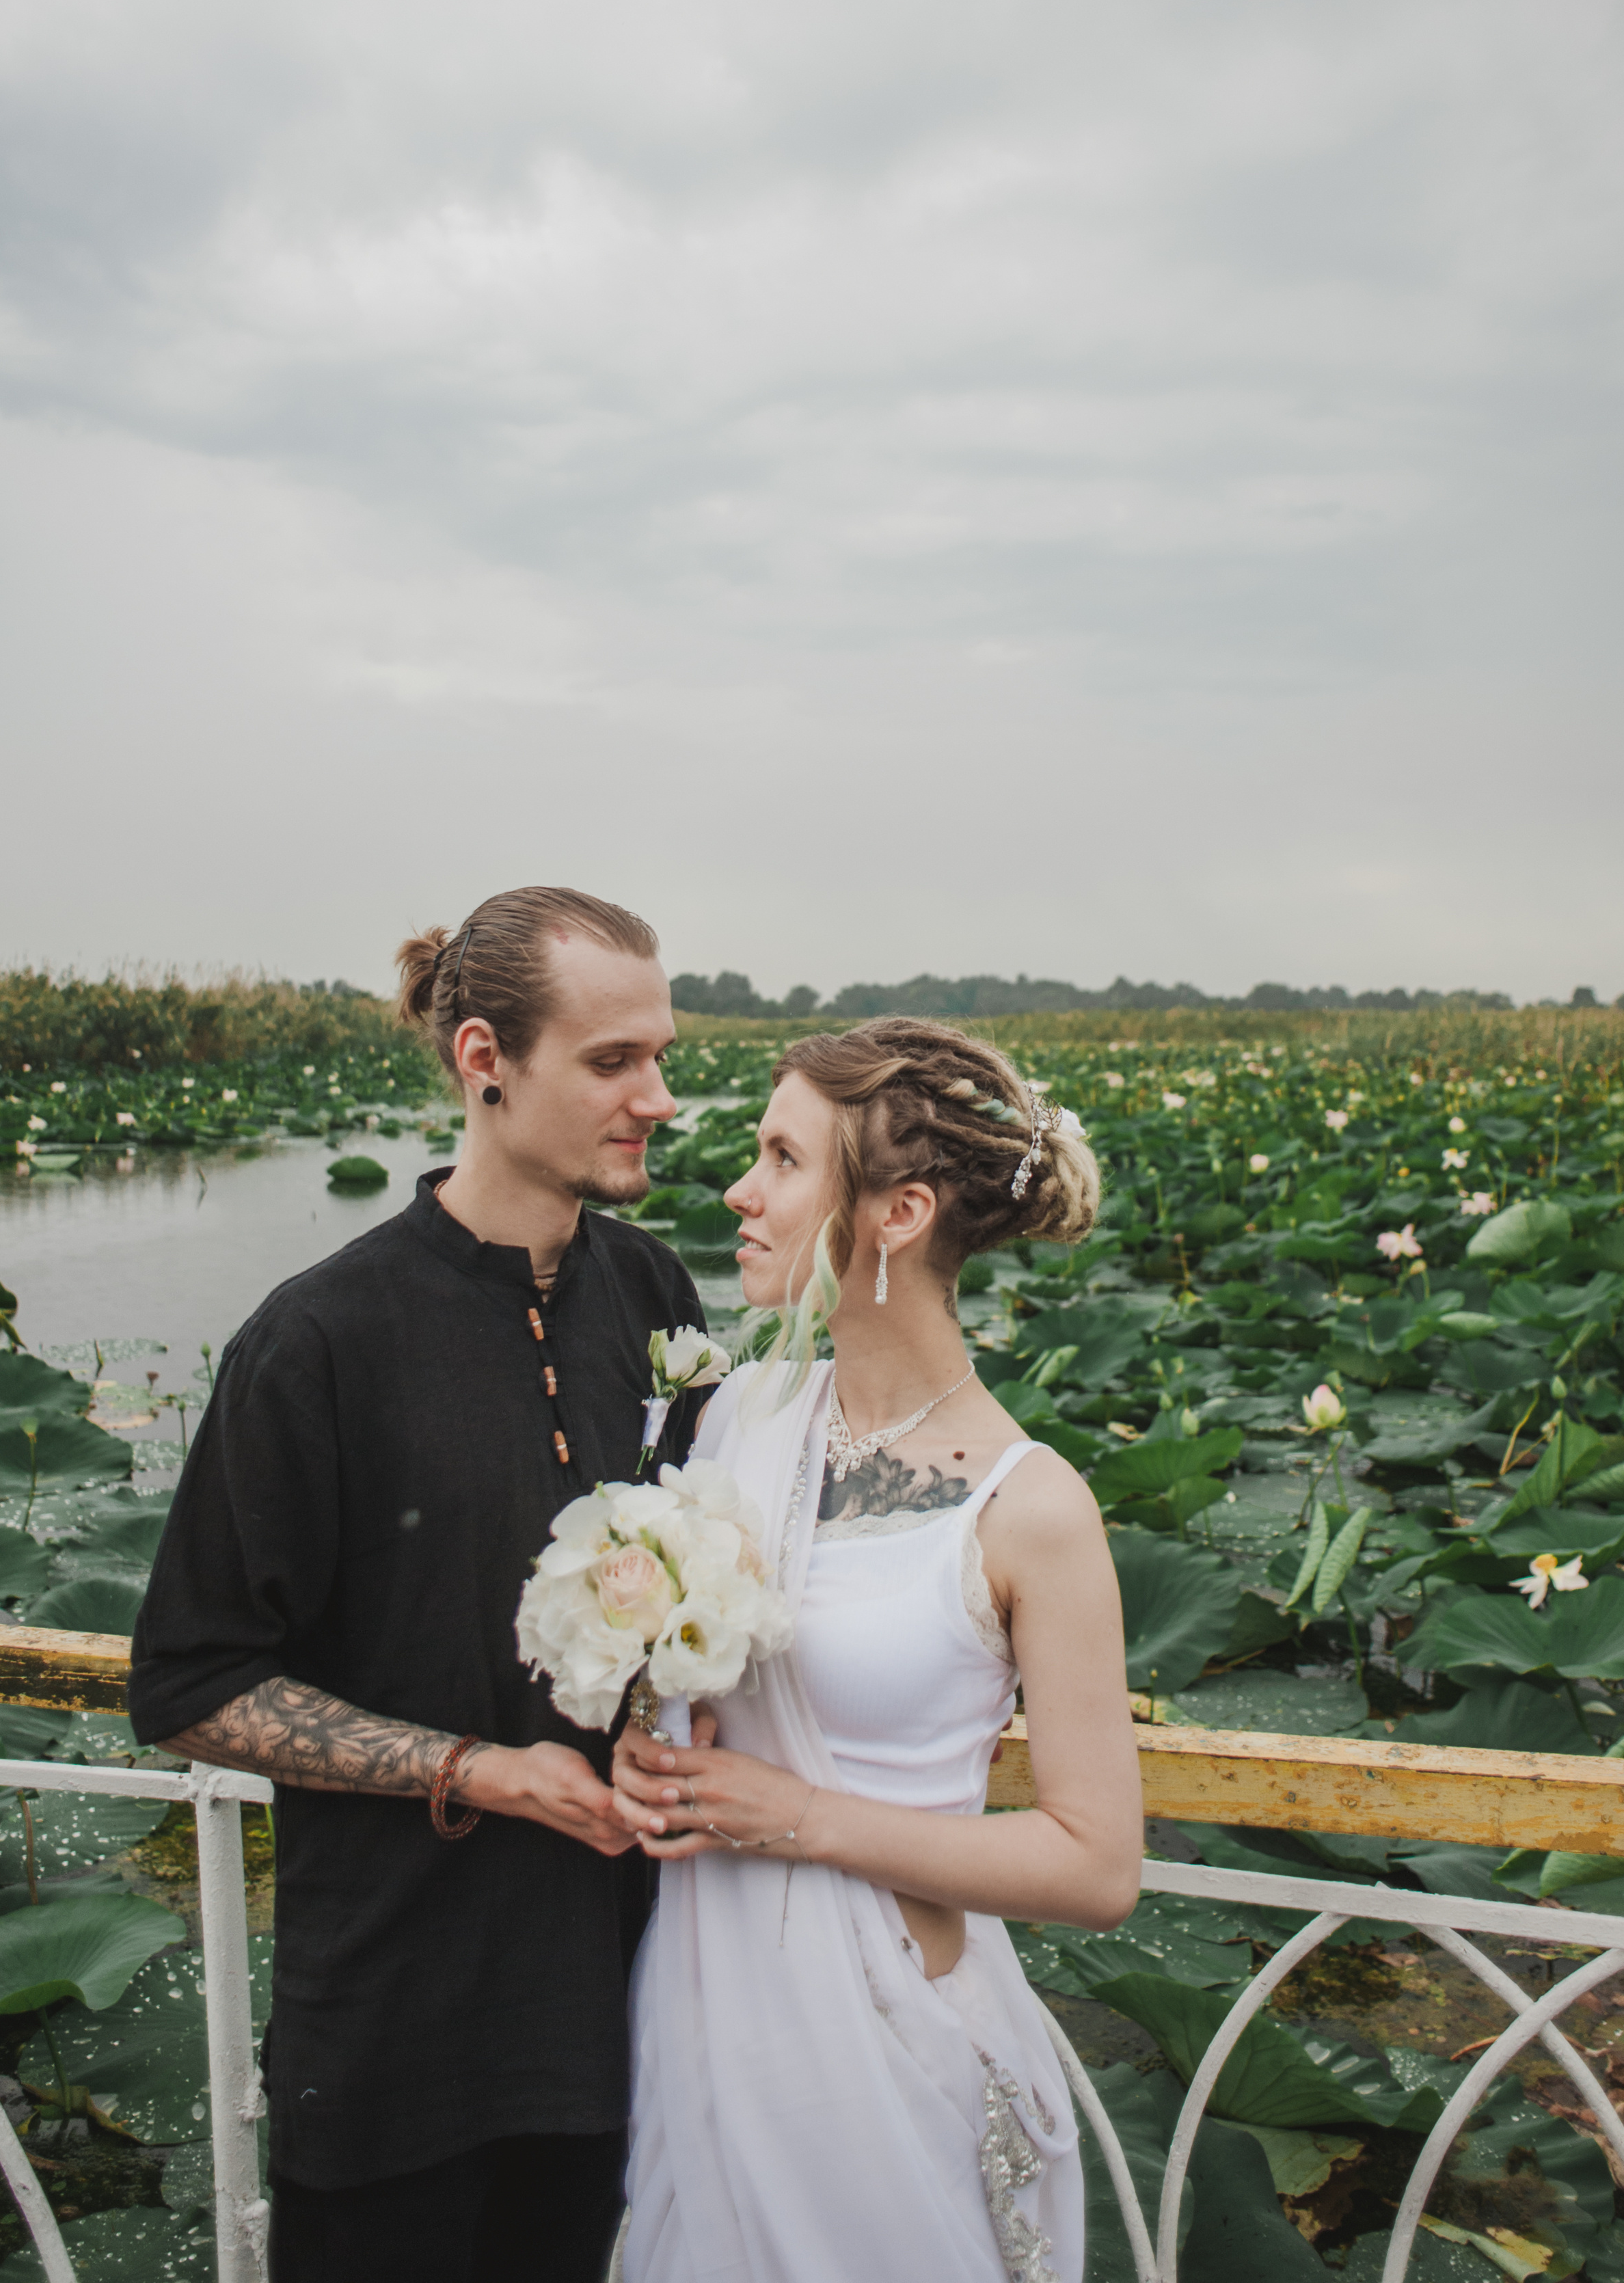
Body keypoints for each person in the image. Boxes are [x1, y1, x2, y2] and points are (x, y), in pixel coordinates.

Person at [128, 886, 712, 2283]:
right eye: (614, 1062)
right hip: (397, 2035)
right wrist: (479, 1769)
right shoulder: (321, 1338)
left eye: (664, 1057)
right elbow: (191, 1685)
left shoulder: (655, 1298)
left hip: (610, 2009)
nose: (660, 1099)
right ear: (484, 1058)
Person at [610, 1020, 1144, 2283]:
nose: (741, 1191)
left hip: (889, 2037)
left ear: (896, 1213)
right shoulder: (733, 1417)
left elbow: (1097, 1864)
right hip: (702, 2009)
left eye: (783, 1160)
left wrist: (795, 1812)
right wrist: (643, 1740)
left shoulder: (1031, 1508)